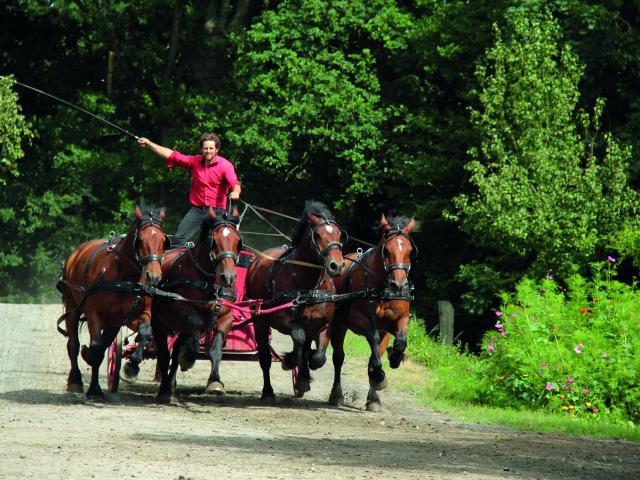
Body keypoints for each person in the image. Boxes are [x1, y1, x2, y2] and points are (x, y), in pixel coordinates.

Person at [138, 132, 241, 246]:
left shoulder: (225, 165)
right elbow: (172, 155)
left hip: (217, 212)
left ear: (217, 149)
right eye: (205, 148)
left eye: (211, 148)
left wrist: (236, 192)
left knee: (222, 243)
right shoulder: (195, 161)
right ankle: (185, 263)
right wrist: (149, 144)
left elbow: (235, 184)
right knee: (178, 238)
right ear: (202, 149)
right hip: (197, 210)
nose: (208, 151)